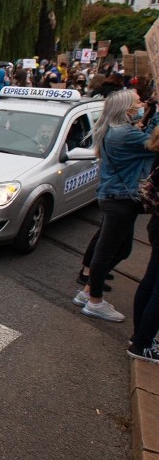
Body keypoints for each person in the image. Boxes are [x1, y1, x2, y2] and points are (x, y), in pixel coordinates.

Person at [73, 90, 159, 322]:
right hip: (120, 198)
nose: (142, 104)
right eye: (138, 101)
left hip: (117, 197)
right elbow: (154, 144)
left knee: (121, 249)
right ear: (127, 108)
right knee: (106, 251)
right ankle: (94, 302)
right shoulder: (124, 134)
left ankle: (89, 292)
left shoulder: (117, 129)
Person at [129, 137, 159, 362]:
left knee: (150, 282)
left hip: (157, 223)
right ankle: (142, 344)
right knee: (155, 289)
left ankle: (139, 336)